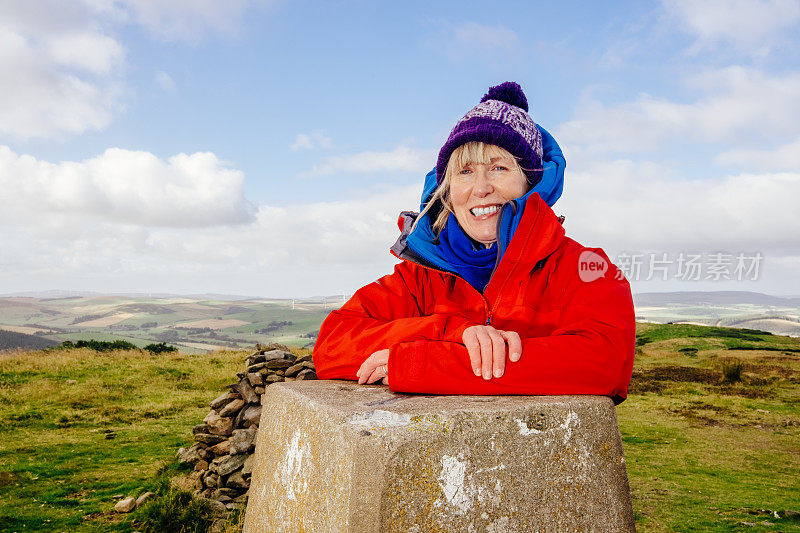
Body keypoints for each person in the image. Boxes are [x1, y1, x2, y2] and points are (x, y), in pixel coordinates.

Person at [312, 82, 635, 404]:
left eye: (499, 168)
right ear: (447, 189)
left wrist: (426, 363)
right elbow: (331, 345)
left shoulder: (587, 267)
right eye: (464, 171)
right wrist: (453, 332)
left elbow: (603, 362)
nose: (480, 188)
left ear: (531, 183)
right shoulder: (419, 277)